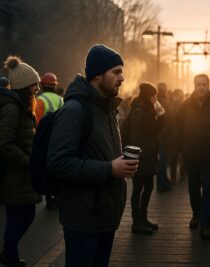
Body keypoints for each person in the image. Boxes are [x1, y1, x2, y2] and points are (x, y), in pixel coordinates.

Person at [46, 44, 139, 267]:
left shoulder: (106, 109)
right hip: (84, 220)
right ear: (98, 74)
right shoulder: (75, 110)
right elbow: (58, 164)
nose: (122, 78)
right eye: (116, 72)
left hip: (104, 216)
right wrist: (110, 169)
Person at [177, 74, 210, 240]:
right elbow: (177, 129)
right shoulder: (184, 106)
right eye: (198, 84)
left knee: (209, 189)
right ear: (194, 85)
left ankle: (206, 224)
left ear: (208, 85)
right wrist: (183, 148)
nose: (201, 87)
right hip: (191, 156)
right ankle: (196, 214)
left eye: (204, 84)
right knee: (193, 188)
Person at [0, 56, 41, 267]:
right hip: (14, 176)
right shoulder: (12, 108)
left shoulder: (23, 107)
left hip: (24, 175)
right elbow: (4, 144)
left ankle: (8, 252)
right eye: (35, 85)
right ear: (25, 86)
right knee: (18, 218)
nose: (37, 88)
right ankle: (10, 257)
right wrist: (27, 161)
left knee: (27, 216)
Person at [121, 82, 164, 235]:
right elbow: (141, 135)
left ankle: (143, 218)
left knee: (148, 187)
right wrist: (160, 116)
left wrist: (159, 115)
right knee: (138, 188)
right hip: (140, 156)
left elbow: (151, 131)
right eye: (154, 96)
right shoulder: (139, 111)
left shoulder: (146, 109)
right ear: (147, 96)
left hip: (147, 155)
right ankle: (136, 222)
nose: (155, 98)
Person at [35, 72, 64, 210]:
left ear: (42, 85)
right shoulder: (61, 100)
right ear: (54, 86)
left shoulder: (39, 100)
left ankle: (49, 199)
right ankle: (58, 195)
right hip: (60, 137)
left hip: (45, 139)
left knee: (46, 167)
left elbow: (37, 122)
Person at [156, 82, 173, 192]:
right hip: (164, 134)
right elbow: (166, 119)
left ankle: (163, 180)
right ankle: (161, 182)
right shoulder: (163, 102)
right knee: (163, 159)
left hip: (160, 134)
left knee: (163, 159)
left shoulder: (156, 101)